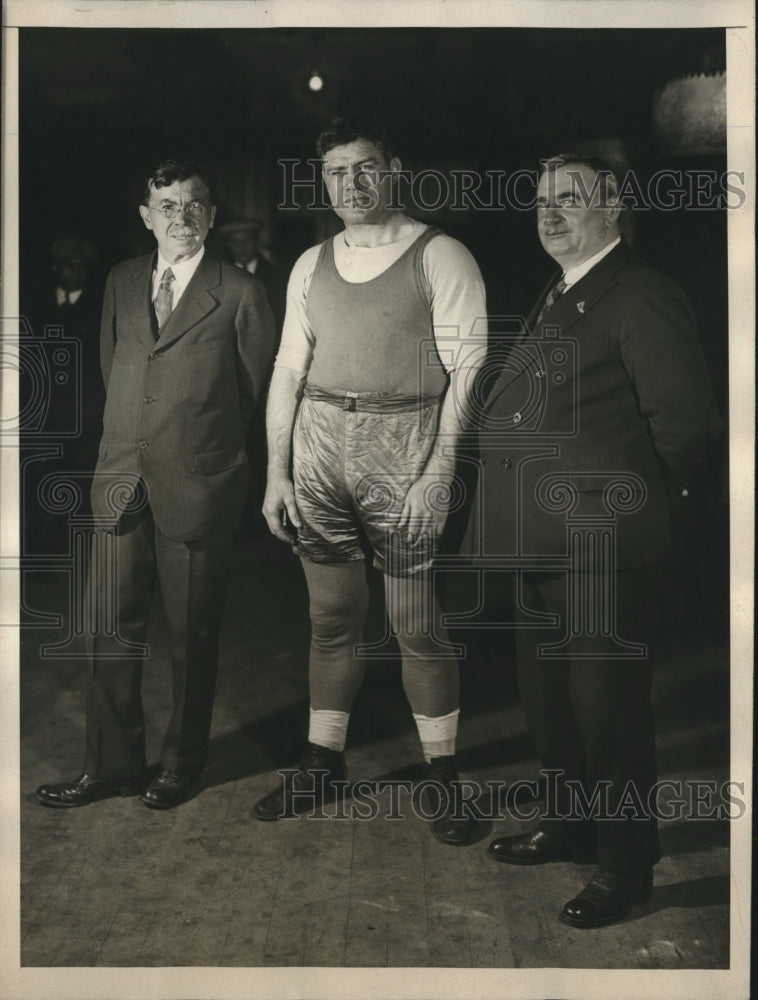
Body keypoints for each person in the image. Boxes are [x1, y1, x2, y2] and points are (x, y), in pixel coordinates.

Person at [469, 154, 721, 924]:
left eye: (569, 199)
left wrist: (628, 506)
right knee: (551, 707)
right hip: (540, 544)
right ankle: (572, 825)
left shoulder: (643, 294)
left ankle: (625, 865)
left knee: (609, 714)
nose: (550, 213)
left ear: (613, 207)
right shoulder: (566, 287)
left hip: (601, 548)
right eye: (541, 199)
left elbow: (686, 428)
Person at [254, 116, 488, 844]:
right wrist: (276, 473)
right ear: (321, 182)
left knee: (417, 625)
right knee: (331, 622)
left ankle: (444, 779)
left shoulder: (440, 254)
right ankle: (324, 762)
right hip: (320, 447)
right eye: (336, 173)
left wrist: (439, 470)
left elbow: (470, 369)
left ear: (392, 169)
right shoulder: (309, 262)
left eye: (364, 168)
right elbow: (288, 369)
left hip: (407, 445)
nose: (351, 184)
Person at [35, 159, 275, 810]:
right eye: (166, 206)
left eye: (193, 205)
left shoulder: (239, 292)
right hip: (121, 482)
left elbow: (256, 397)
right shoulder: (120, 280)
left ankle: (180, 764)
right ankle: (111, 766)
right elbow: (116, 373)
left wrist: (207, 457)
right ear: (146, 217)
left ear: (212, 214)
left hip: (198, 488)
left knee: (192, 638)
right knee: (108, 631)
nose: (181, 217)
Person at [217, 218, 286, 334]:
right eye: (235, 242)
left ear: (256, 242)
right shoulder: (220, 276)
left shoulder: (276, 276)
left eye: (247, 241)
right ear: (228, 245)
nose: (241, 247)